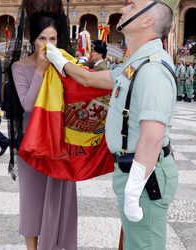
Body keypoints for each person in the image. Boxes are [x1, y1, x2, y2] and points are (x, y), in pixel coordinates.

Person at [46, 0, 178, 249]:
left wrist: (135, 187)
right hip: (134, 169)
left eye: (132, 5)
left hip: (145, 174)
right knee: (135, 243)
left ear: (147, 20)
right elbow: (90, 78)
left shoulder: (151, 68)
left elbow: (152, 135)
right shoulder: (136, 64)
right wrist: (61, 61)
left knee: (144, 245)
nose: (125, 7)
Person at [9, 5, 77, 250]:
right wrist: (40, 70)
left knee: (59, 203)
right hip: (31, 145)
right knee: (31, 202)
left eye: (53, 39)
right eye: (42, 39)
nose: (47, 44)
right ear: (32, 39)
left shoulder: (65, 65)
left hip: (59, 145)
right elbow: (27, 104)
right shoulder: (20, 67)